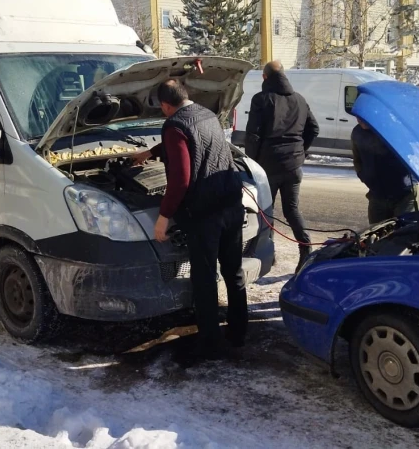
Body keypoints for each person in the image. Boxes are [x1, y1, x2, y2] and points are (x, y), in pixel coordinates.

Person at [132, 80, 246, 361]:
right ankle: (239, 331)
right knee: (233, 271)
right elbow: (193, 143)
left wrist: (164, 218)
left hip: (205, 215)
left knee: (204, 278)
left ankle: (210, 345)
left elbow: (181, 181)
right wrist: (151, 152)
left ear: (165, 105)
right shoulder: (206, 114)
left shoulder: (174, 125)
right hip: (231, 203)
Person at [244, 61, 319, 272]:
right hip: (294, 165)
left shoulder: (261, 99)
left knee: (267, 211)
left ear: (265, 78)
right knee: (292, 210)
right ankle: (306, 251)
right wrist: (301, 151)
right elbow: (314, 128)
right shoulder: (300, 100)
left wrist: (253, 161)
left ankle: (270, 253)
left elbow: (253, 135)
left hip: (269, 165)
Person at [351, 117, 416, 224]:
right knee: (376, 234)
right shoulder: (357, 133)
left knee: (402, 233)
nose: (360, 120)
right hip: (377, 194)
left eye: (363, 117)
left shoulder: (395, 129)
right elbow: (357, 159)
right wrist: (363, 176)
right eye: (358, 117)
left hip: (404, 194)